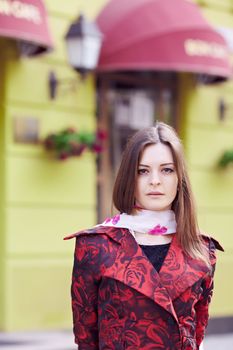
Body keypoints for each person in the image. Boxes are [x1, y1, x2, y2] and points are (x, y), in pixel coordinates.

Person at [65, 122, 223, 350]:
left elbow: (196, 332)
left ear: (180, 178)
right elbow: (86, 337)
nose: (155, 181)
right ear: (130, 178)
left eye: (167, 169)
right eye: (143, 171)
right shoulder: (96, 245)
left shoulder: (202, 248)